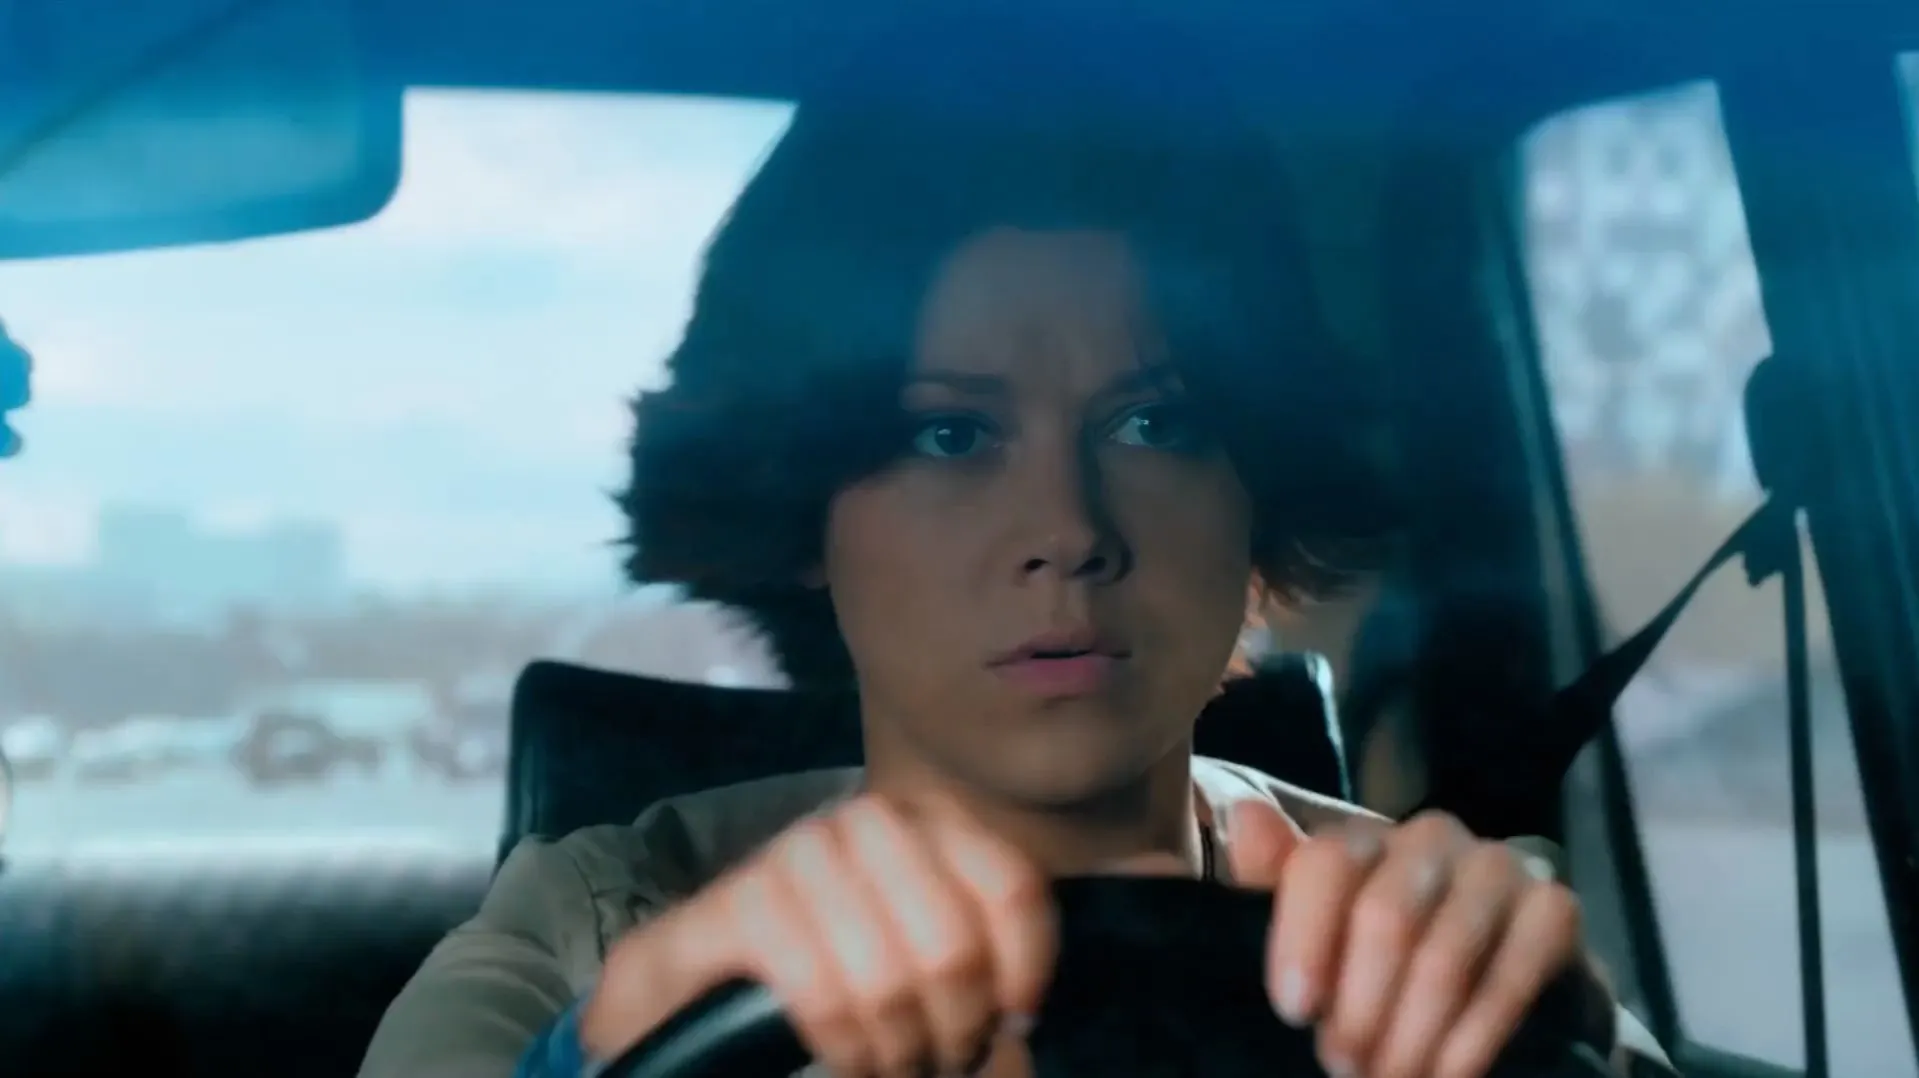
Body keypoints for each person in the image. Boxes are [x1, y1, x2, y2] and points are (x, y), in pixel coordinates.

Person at [360, 25, 1673, 1078]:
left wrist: (1550, 1041)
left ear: (1256, 483)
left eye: (1156, 422)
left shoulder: (1432, 935)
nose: (1069, 530)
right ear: (802, 506)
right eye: (949, 434)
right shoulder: (591, 925)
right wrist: (593, 1057)